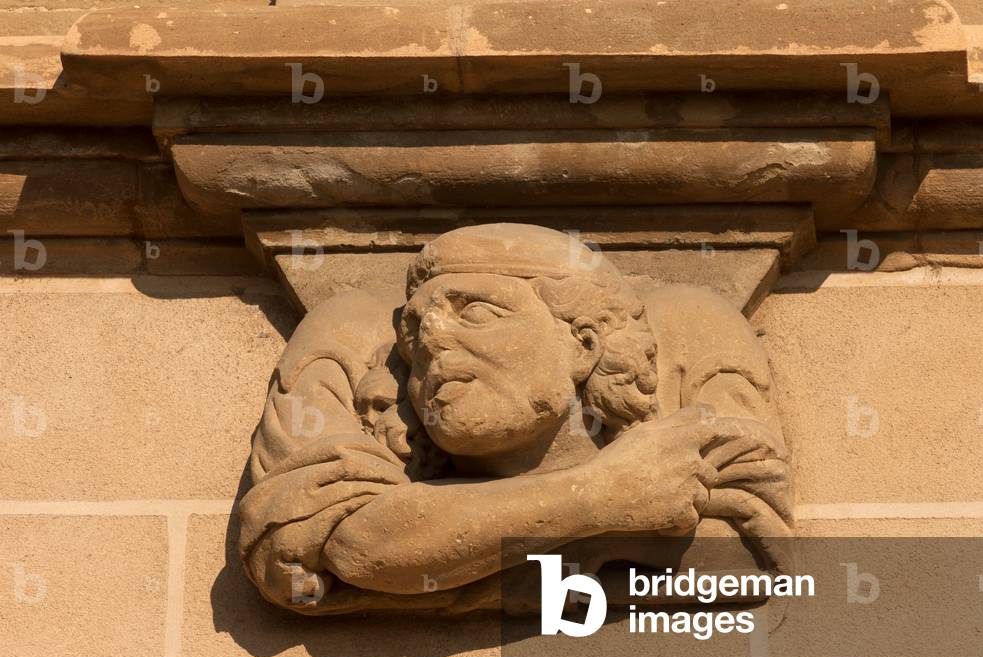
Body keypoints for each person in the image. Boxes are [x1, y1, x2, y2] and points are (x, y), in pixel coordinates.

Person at [239, 223, 792, 614]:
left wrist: (446, 550)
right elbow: (345, 543)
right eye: (412, 330)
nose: (430, 340)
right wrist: (600, 497)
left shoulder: (693, 345)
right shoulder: (347, 344)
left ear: (584, 343)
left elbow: (738, 550)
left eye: (477, 311)